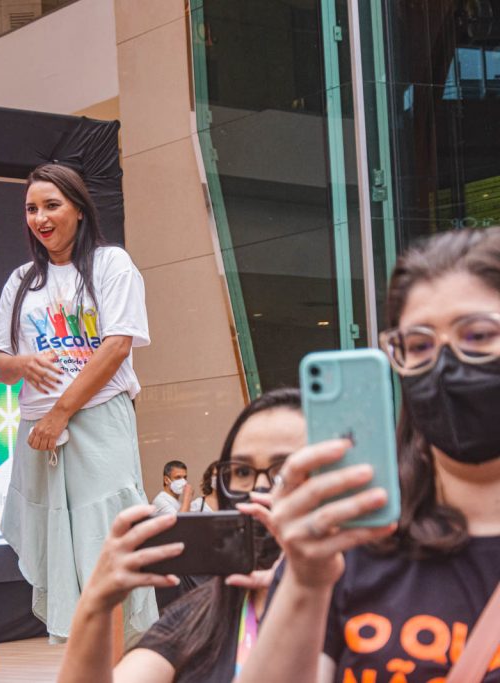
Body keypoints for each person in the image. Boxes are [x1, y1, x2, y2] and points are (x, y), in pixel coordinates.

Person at [238, 227, 500, 683]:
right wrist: (306, 580)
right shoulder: (349, 536)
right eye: (418, 345)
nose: (444, 364)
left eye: (476, 335)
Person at [0, 163, 157, 642]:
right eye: (31, 208)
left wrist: (63, 410)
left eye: (52, 205)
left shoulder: (111, 264)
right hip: (40, 432)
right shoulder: (21, 281)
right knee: (56, 551)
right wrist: (22, 366)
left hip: (98, 419)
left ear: (79, 209)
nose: (40, 217)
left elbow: (117, 345)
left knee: (108, 540)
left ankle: (124, 662)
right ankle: (84, 662)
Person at [56, 388, 306, 683]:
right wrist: (96, 603)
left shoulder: (364, 591)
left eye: (285, 469)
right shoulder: (197, 617)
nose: (259, 488)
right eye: (242, 472)